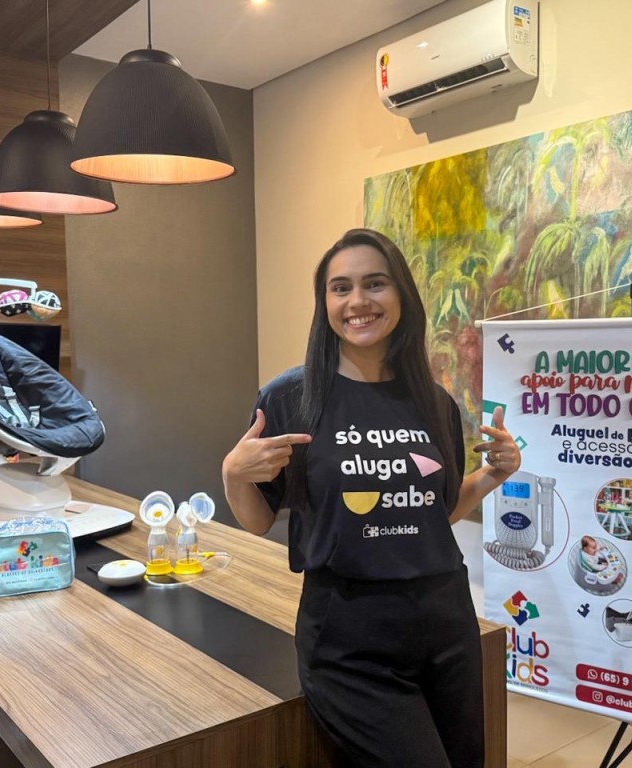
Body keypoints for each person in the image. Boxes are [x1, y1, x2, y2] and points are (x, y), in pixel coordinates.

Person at [221, 228, 521, 768]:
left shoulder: (434, 402)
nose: (358, 301)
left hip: (446, 621)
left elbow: (437, 513)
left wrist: (491, 476)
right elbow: (259, 520)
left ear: (401, 295)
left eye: (375, 284)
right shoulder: (290, 397)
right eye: (341, 288)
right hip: (348, 637)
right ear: (325, 303)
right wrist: (233, 474)